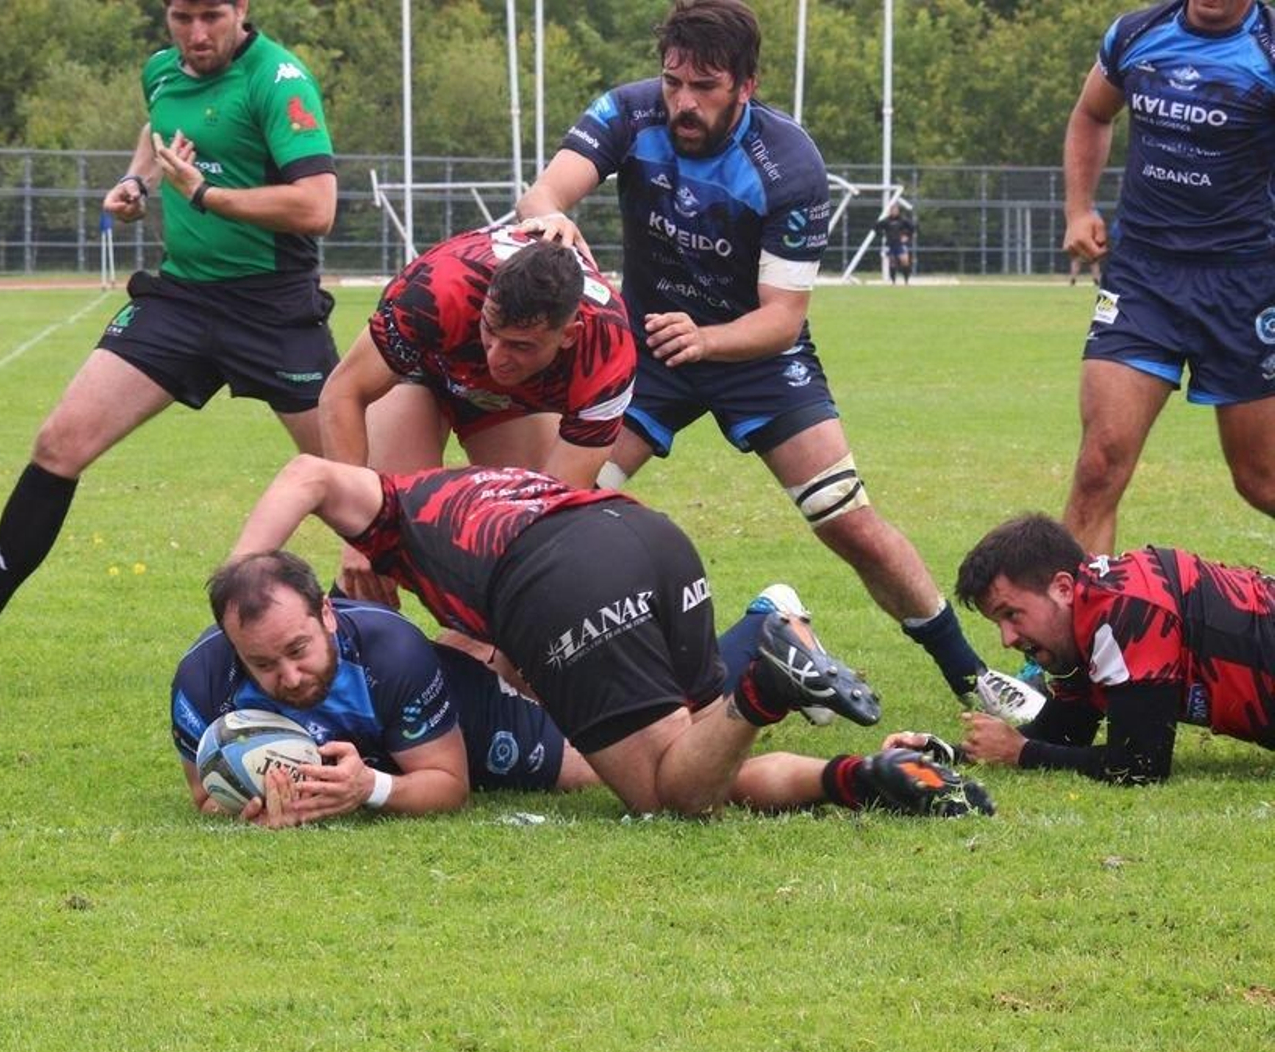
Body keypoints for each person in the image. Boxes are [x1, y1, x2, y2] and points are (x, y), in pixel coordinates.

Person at [512, 0, 1013, 713]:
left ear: (746, 85)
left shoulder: (789, 165)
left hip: (754, 353)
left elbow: (782, 318)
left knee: (849, 521)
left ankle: (972, 677)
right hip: (646, 351)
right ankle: (538, 685)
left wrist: (708, 339)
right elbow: (544, 191)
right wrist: (552, 214)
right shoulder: (628, 112)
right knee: (558, 514)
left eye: (705, 86)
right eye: (673, 82)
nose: (683, 102)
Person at [0, 0, 338, 673]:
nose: (196, 34)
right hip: (180, 299)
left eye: (212, 15)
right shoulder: (161, 73)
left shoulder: (280, 81)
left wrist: (203, 196)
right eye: (181, 17)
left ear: (242, 8)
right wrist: (137, 179)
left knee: (355, 487)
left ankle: (452, 636)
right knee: (59, 443)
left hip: (274, 310)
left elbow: (317, 207)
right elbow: (158, 126)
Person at [225, 456, 995, 819]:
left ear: (323, 614)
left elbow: (304, 474)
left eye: (293, 647)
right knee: (700, 754)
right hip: (646, 536)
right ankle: (865, 775)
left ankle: (764, 679)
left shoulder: (390, 508)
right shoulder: (439, 496)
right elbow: (475, 643)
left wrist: (235, 593)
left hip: (564, 579)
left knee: (668, 798)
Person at [320, 224, 637, 601]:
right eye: (490, 330)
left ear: (569, 334)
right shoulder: (440, 290)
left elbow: (552, 506)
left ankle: (469, 656)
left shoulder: (606, 351)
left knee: (524, 547)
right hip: (427, 363)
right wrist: (356, 530)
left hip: (513, 399)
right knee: (386, 539)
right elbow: (342, 392)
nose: (496, 357)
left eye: (520, 345)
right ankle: (343, 647)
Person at [1061, 0, 1275, 555]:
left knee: (1261, 479)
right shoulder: (1136, 34)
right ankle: (1083, 641)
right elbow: (1092, 113)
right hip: (1142, 280)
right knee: (1098, 467)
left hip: (1245, 285)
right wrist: (1079, 209)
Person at [172, 551, 600, 827]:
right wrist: (253, 808)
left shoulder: (390, 652)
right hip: (383, 736)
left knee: (597, 767)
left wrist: (368, 788)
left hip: (460, 719)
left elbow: (449, 785)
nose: (291, 676)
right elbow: (204, 796)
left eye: (298, 649)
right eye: (262, 663)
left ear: (326, 613)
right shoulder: (200, 684)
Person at [889, 513, 1274, 786]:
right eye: (999, 623)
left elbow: (1139, 765)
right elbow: (1063, 735)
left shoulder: (1128, 611)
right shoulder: (1089, 619)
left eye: (1012, 614)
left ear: (1061, 587)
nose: (1007, 638)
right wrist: (943, 753)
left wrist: (1021, 753)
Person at [873, 203, 914, 285]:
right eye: (893, 210)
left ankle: (906, 281)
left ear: (898, 211)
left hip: (900, 244)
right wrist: (881, 235)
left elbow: (912, 227)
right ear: (890, 211)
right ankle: (893, 282)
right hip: (890, 244)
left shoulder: (903, 220)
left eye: (896, 210)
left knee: (905, 260)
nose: (894, 212)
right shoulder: (886, 221)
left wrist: (907, 236)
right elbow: (876, 226)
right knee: (892, 262)